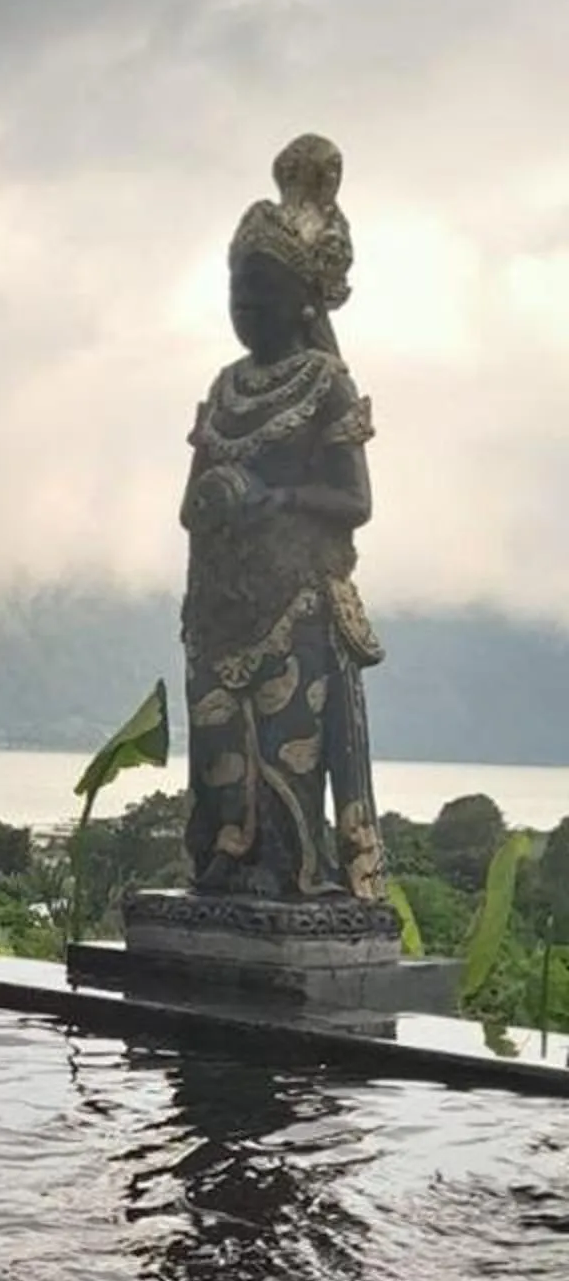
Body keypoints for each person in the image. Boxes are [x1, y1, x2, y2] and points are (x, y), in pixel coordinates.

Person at [179, 135, 385, 902]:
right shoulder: (225, 386)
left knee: (285, 748)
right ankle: (223, 864)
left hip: (294, 605)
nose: (245, 307)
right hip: (218, 608)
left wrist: (279, 500)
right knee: (218, 753)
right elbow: (189, 506)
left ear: (302, 300)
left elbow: (355, 501)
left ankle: (290, 871)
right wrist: (221, 500)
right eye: (237, 291)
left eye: (260, 291)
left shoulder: (325, 384)